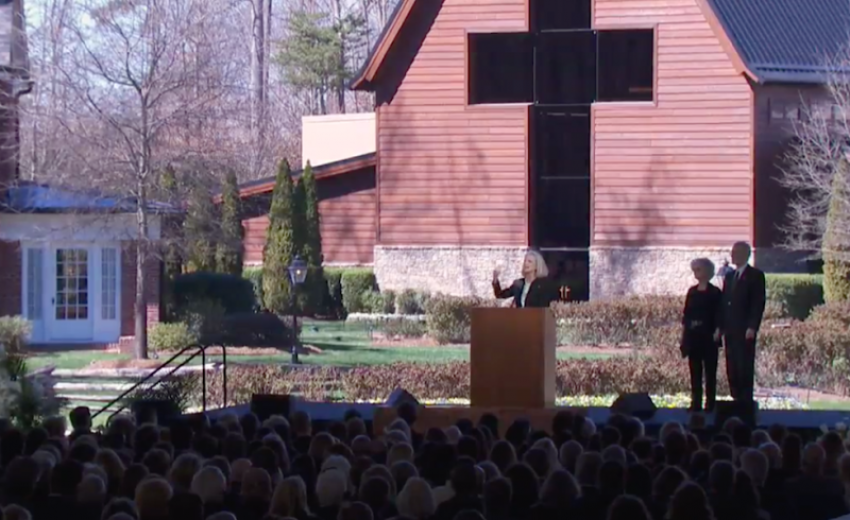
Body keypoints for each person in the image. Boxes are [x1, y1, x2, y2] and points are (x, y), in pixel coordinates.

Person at [716, 241, 766, 404]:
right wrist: (721, 326)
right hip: (730, 328)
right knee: (731, 364)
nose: (733, 255)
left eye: (736, 252)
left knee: (744, 363)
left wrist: (752, 326)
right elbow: (724, 302)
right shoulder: (730, 276)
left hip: (744, 329)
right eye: (732, 252)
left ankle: (745, 400)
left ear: (746, 254)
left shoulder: (755, 276)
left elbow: (758, 303)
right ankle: (735, 396)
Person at [681, 258, 723, 412]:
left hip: (709, 337)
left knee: (710, 372)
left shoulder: (715, 292)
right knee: (695, 372)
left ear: (707, 272)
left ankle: (710, 403)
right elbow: (686, 315)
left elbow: (719, 314)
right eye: (695, 269)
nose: (696, 272)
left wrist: (718, 331)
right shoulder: (692, 292)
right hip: (693, 337)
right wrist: (684, 336)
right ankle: (696, 403)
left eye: (699, 269)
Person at [492, 250, 559, 308]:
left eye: (530, 261)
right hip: (521, 319)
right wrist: (495, 279)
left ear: (537, 266)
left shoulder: (543, 284)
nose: (526, 264)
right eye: (525, 261)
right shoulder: (518, 284)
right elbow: (500, 295)